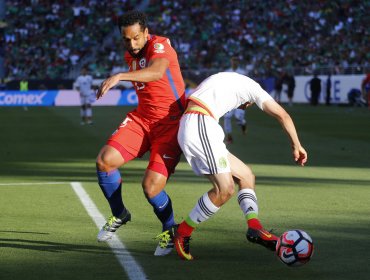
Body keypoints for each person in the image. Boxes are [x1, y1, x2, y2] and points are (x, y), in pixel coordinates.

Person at [173, 72, 307, 260]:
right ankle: (182, 232)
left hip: (201, 123)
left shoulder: (227, 78)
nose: (244, 106)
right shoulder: (254, 89)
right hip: (200, 123)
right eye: (247, 104)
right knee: (225, 189)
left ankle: (254, 227)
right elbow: (282, 115)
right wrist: (296, 145)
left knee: (246, 176)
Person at [95, 10, 186, 256]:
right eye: (126, 39)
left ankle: (170, 230)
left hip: (170, 124)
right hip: (142, 120)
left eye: (136, 38)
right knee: (104, 162)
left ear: (146, 32)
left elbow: (157, 72)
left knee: (151, 188)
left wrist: (120, 76)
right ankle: (119, 213)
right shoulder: (130, 54)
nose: (132, 44)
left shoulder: (161, 46)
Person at [223, 57, 247, 144]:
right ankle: (229, 138)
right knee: (227, 117)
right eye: (233, 60)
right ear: (231, 61)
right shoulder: (226, 72)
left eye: (236, 61)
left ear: (238, 62)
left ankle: (243, 124)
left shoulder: (243, 73)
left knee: (238, 118)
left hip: (240, 99)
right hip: (229, 99)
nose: (234, 62)